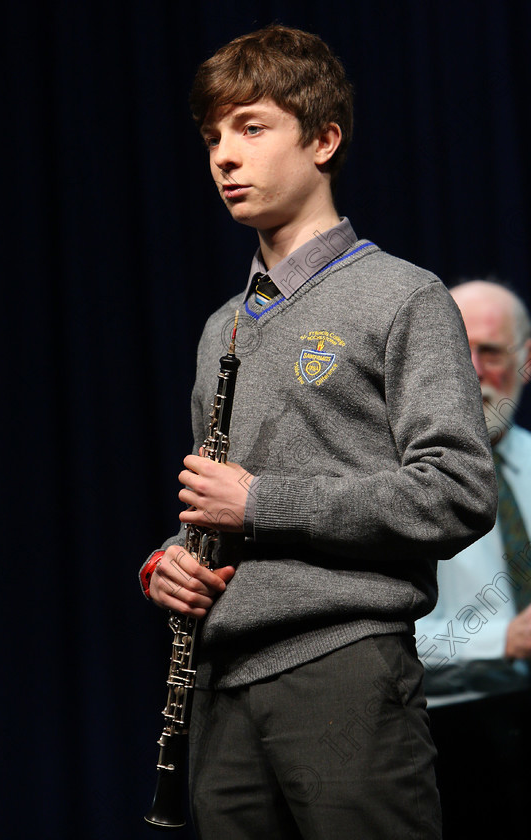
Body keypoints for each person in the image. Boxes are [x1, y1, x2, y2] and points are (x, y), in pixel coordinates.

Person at [140, 25, 496, 840]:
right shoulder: (219, 329)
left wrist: (263, 503)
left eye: (252, 128)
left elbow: (458, 491)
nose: (225, 156)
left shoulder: (400, 296)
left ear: (324, 139)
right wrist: (174, 563)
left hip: (342, 669)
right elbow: (219, 512)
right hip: (221, 687)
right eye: (213, 136)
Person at [415, 279, 531, 839]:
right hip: (444, 736)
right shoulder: (398, 487)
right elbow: (379, 646)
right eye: (457, 353)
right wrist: (502, 639)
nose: (474, 373)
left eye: (490, 352)